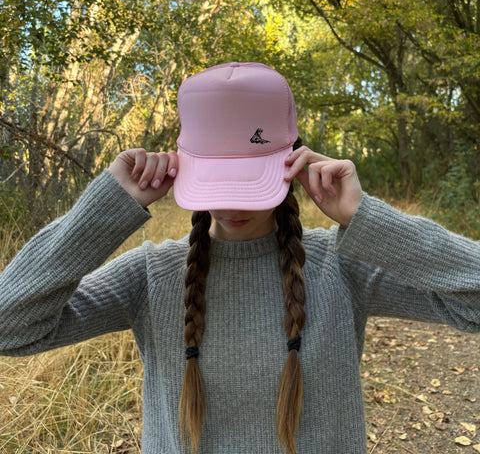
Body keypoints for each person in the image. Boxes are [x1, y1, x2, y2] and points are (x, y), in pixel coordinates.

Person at [0, 62, 479, 454]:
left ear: (293, 164)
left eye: (248, 181)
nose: (229, 205)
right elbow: (10, 327)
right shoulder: (151, 276)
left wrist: (365, 217)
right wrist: (104, 209)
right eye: (212, 181)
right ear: (184, 166)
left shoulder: (341, 266)